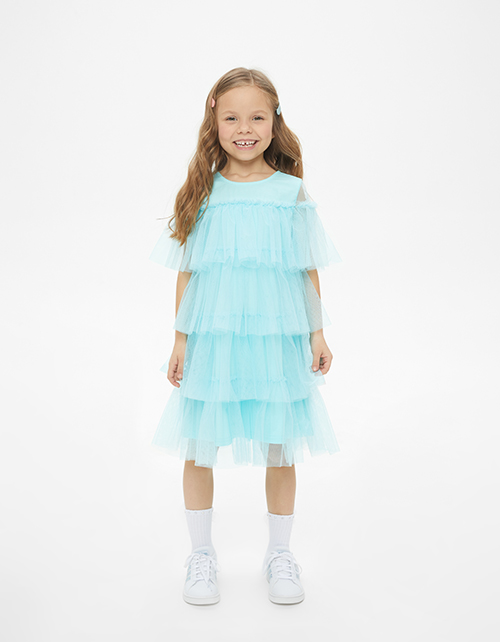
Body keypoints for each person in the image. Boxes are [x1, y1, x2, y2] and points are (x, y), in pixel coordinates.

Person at [149, 67, 342, 606]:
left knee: (281, 446)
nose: (245, 129)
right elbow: (189, 271)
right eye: (232, 118)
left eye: (257, 117)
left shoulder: (290, 191)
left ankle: (280, 553)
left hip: (275, 337)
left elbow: (306, 268)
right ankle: (201, 555)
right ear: (214, 119)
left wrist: (317, 333)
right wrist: (180, 339)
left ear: (275, 120)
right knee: (200, 445)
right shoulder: (203, 191)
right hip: (214, 339)